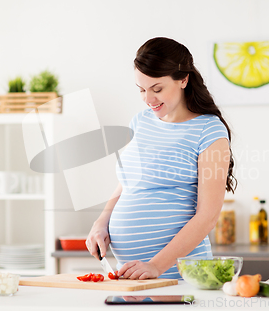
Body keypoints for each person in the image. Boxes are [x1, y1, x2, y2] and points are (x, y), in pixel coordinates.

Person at [86, 37, 236, 280]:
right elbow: (128, 183)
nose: (148, 99)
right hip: (134, 277)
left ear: (183, 79)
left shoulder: (209, 131)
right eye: (142, 90)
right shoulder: (141, 121)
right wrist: (101, 222)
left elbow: (207, 217)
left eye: (157, 89)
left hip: (179, 275)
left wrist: (156, 266)